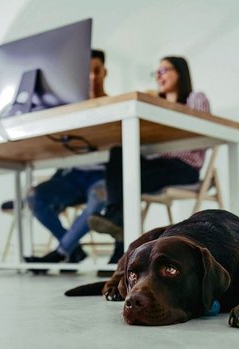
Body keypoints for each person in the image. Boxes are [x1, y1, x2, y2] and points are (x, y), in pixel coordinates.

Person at [89, 56, 211, 269]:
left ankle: (116, 227)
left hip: (184, 167)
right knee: (119, 154)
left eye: (164, 70)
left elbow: (197, 127)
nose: (158, 75)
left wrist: (160, 107)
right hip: (160, 164)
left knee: (127, 181)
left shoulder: (195, 97)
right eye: (156, 72)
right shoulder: (157, 104)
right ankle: (116, 220)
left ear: (180, 72)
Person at [24, 49, 121, 271]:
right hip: (73, 175)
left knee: (98, 198)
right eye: (87, 72)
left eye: (96, 71)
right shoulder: (70, 109)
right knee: (33, 197)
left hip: (101, 175)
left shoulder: (116, 105)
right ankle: (73, 248)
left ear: (104, 72)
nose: (92, 77)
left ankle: (59, 253)